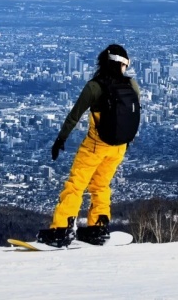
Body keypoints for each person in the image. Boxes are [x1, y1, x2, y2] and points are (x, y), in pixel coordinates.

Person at [37, 43, 141, 247]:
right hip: (119, 147)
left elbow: (74, 115)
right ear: (122, 65)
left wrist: (61, 139)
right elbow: (133, 116)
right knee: (101, 185)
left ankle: (62, 228)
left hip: (96, 146)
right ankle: (99, 226)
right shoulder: (132, 85)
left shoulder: (96, 86)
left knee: (76, 184)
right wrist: (126, 143)